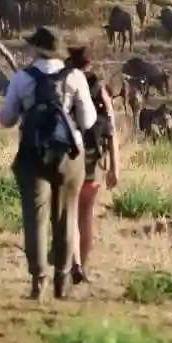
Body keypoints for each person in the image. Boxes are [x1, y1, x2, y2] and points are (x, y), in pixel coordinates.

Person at [0, 26, 96, 300]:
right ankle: (61, 280)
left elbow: (5, 118)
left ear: (36, 49)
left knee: (35, 218)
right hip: (68, 156)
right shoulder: (75, 77)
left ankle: (37, 280)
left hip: (32, 155)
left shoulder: (22, 78)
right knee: (66, 218)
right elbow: (88, 121)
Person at [65, 46, 119, 286]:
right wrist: (114, 167)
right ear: (89, 64)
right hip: (94, 162)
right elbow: (111, 131)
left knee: (69, 215)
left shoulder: (64, 86)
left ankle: (73, 263)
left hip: (68, 160)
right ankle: (82, 267)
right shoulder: (99, 91)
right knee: (85, 217)